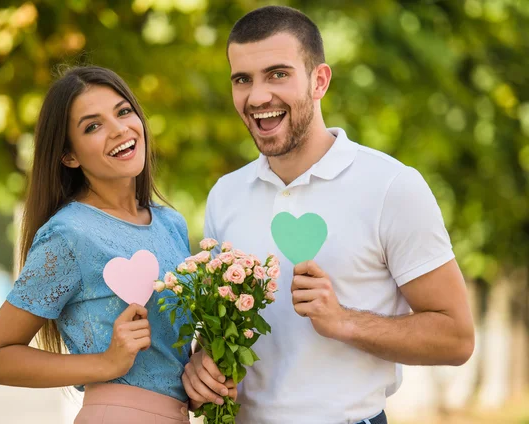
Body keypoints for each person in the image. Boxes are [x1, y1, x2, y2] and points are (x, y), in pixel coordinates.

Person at [182, 6, 475, 424]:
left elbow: (457, 337)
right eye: (242, 79)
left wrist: (344, 321)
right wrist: (201, 364)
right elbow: (218, 334)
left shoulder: (391, 187)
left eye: (278, 74)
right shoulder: (225, 194)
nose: (257, 96)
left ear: (319, 81)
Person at [0, 66, 195, 423]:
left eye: (123, 112)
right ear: (69, 157)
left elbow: (169, 347)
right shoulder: (69, 236)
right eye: (93, 126)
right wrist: (105, 363)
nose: (119, 128)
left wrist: (202, 371)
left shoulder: (171, 224)